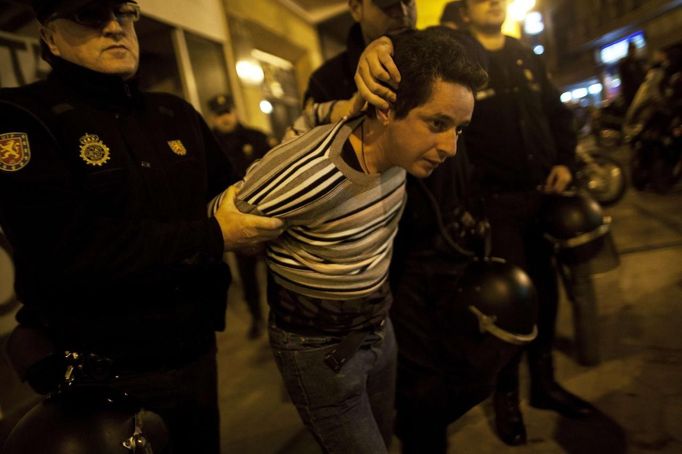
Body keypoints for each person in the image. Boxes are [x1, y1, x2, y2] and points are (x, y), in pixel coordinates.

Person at [0, 1, 283, 452]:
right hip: (103, 372)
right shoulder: (26, 120)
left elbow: (233, 194)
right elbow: (65, 252)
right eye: (90, 15)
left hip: (195, 353)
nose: (115, 27)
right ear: (49, 36)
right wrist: (213, 236)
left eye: (125, 12)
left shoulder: (174, 113)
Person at [210, 27, 486, 453]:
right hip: (319, 348)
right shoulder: (315, 175)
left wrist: (376, 56)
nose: (450, 147)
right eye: (437, 123)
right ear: (388, 110)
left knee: (385, 430)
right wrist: (240, 235)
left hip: (378, 327)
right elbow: (217, 219)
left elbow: (306, 119)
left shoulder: (400, 155)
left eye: (459, 129)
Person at [355, 0, 595, 447]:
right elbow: (416, 49)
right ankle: (506, 401)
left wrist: (564, 159)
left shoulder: (524, 53)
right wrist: (381, 45)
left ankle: (544, 385)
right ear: (463, 9)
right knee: (504, 305)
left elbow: (556, 111)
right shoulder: (458, 50)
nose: (493, 2)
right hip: (492, 206)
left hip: (541, 195)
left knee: (543, 294)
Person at [208, 93, 271, 339]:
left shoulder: (255, 137)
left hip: (265, 216)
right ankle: (256, 317)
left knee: (277, 270)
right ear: (213, 116)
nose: (225, 118)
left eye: (227, 112)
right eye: (219, 114)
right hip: (233, 221)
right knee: (247, 277)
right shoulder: (209, 144)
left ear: (235, 111)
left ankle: (282, 313)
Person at [618, 41, 646, 108]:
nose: (634, 51)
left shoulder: (638, 63)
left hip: (639, 91)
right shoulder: (625, 64)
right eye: (632, 49)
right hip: (631, 94)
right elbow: (625, 81)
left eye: (634, 49)